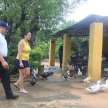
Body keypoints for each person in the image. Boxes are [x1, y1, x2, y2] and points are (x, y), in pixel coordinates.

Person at [0, 22, 19, 99]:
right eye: (5, 29)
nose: (7, 30)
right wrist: (3, 61)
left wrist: (5, 60)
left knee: (6, 78)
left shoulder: (2, 37)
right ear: (1, 27)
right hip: (1, 60)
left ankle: (9, 95)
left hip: (4, 59)